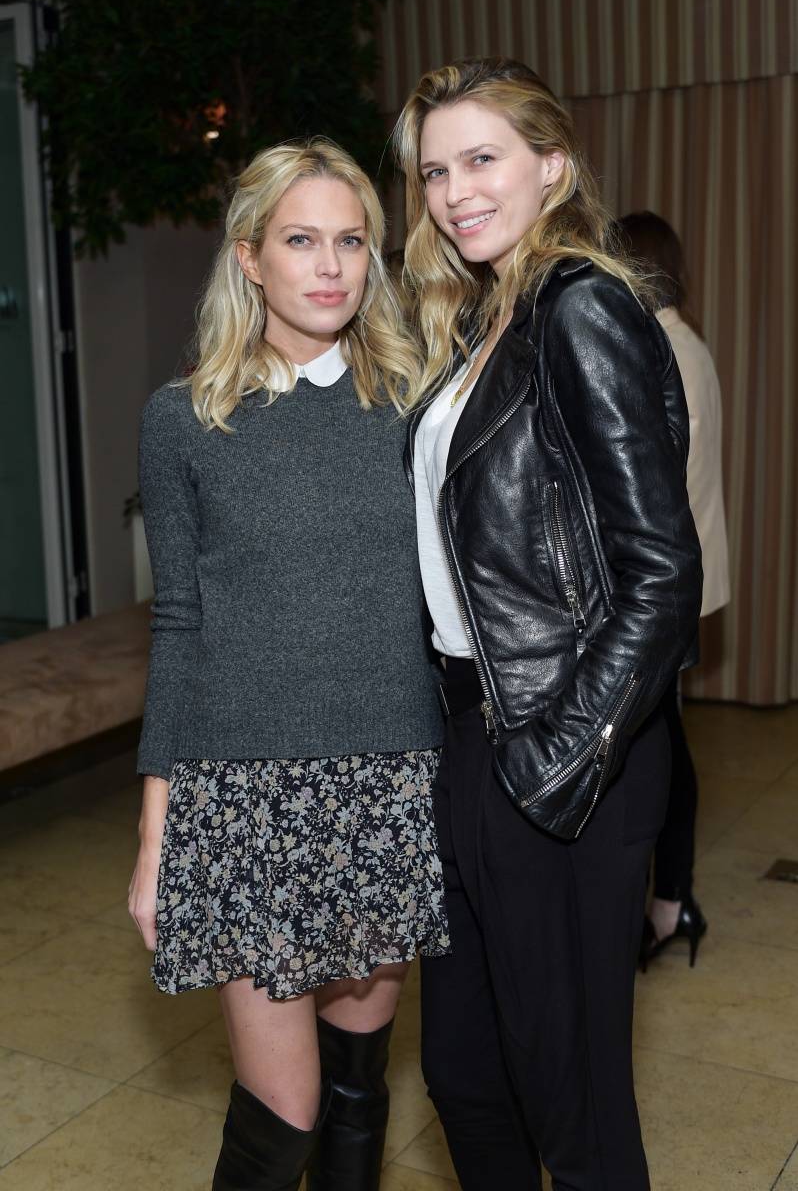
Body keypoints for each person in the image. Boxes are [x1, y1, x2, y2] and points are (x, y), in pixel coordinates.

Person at [393, 58, 703, 1190]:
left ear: (554, 167)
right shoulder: (481, 318)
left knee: (573, 1109)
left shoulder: (581, 306)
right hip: (471, 734)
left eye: (484, 159)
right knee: (467, 1078)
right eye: (436, 171)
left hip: (560, 750)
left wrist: (551, 759)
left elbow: (663, 573)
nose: (456, 192)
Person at [127, 138, 450, 1191]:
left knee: (360, 1089)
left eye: (351, 241)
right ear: (249, 258)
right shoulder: (184, 420)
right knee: (285, 1113)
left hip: (386, 778)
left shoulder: (415, 409)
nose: (330, 266)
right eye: (301, 240)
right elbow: (177, 625)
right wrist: (156, 835)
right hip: (243, 797)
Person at [618, 210, 730, 967]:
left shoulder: (661, 348)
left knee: (660, 750)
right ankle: (675, 896)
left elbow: (651, 487)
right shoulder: (686, 340)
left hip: (664, 585)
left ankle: (672, 896)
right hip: (686, 575)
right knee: (666, 740)